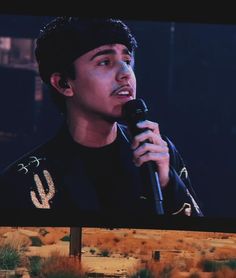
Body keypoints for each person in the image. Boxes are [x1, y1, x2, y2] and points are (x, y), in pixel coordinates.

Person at [0, 17, 203, 223]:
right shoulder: (23, 180)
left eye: (127, 61)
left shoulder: (158, 151)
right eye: (105, 62)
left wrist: (167, 183)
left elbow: (199, 244)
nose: (126, 74)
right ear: (63, 84)